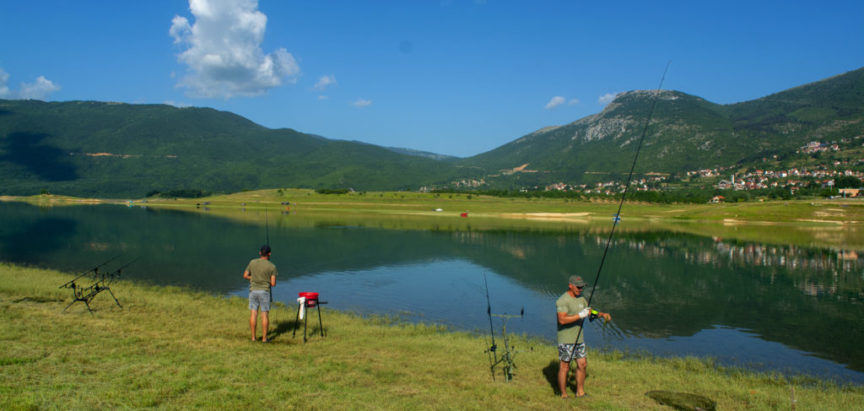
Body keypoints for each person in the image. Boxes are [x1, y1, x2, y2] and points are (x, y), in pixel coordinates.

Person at [556, 275, 611, 399]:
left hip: (579, 339)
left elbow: (590, 312)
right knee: (564, 366)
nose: (580, 289)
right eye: (578, 287)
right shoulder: (562, 301)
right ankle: (563, 395)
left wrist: (602, 315)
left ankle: (580, 393)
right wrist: (580, 315)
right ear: (570, 285)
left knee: (582, 364)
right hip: (566, 339)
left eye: (582, 287)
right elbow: (562, 320)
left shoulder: (581, 299)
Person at [243, 245, 277, 342]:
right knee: (264, 315)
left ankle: (253, 338)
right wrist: (265, 280)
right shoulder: (272, 266)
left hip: (253, 291)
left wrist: (254, 278)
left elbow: (245, 275)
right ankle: (264, 339)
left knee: (253, 313)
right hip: (264, 292)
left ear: (260, 253)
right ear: (269, 254)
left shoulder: (252, 262)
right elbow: (273, 283)